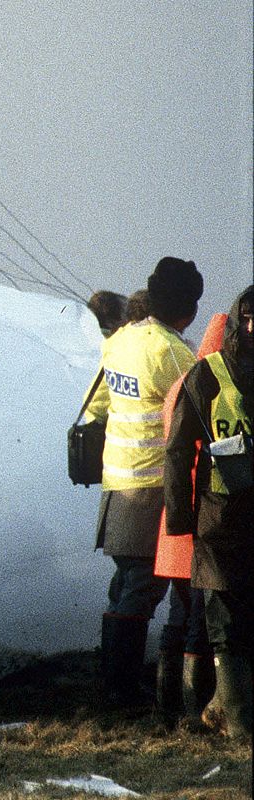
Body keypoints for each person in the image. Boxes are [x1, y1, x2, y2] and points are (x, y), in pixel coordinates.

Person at [83, 257, 203, 710]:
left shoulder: (122, 340)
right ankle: (122, 690)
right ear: (186, 310)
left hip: (118, 482)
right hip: (153, 486)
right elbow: (201, 408)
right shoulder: (171, 351)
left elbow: (95, 406)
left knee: (127, 583)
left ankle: (116, 684)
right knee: (143, 586)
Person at [164, 285, 253, 738]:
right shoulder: (206, 375)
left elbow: (179, 451)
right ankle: (229, 709)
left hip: (220, 520)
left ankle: (234, 715)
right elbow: (178, 452)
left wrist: (180, 520)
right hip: (226, 523)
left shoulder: (205, 375)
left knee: (225, 623)